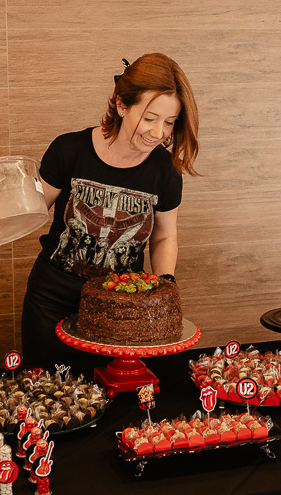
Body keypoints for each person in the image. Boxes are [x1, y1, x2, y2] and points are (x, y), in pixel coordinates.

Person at [21, 52, 200, 370]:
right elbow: (31, 211)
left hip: (121, 311)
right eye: (149, 118)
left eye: (169, 123)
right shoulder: (69, 150)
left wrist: (165, 284)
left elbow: (164, 237)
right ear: (121, 105)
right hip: (51, 299)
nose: (158, 133)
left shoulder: (164, 172)